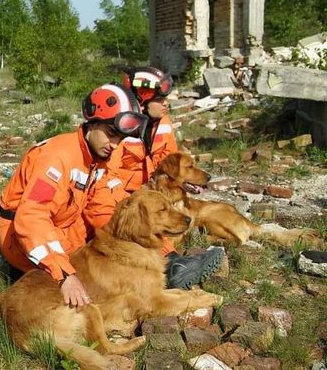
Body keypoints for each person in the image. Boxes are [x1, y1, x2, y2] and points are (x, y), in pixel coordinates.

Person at [0, 84, 149, 308]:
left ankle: (171, 264)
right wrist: (64, 275)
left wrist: (138, 236)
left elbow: (102, 205)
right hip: (22, 238)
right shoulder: (57, 157)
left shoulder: (97, 158)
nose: (115, 145)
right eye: (111, 135)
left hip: (64, 226)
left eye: (121, 139)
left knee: (117, 250)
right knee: (92, 282)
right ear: (92, 123)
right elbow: (32, 218)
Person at [84, 67, 224, 290]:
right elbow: (103, 190)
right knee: (138, 221)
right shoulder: (115, 131)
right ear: (142, 99)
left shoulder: (160, 122)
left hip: (148, 194)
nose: (166, 103)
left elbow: (171, 163)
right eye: (159, 99)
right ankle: (171, 267)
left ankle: (171, 260)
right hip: (119, 201)